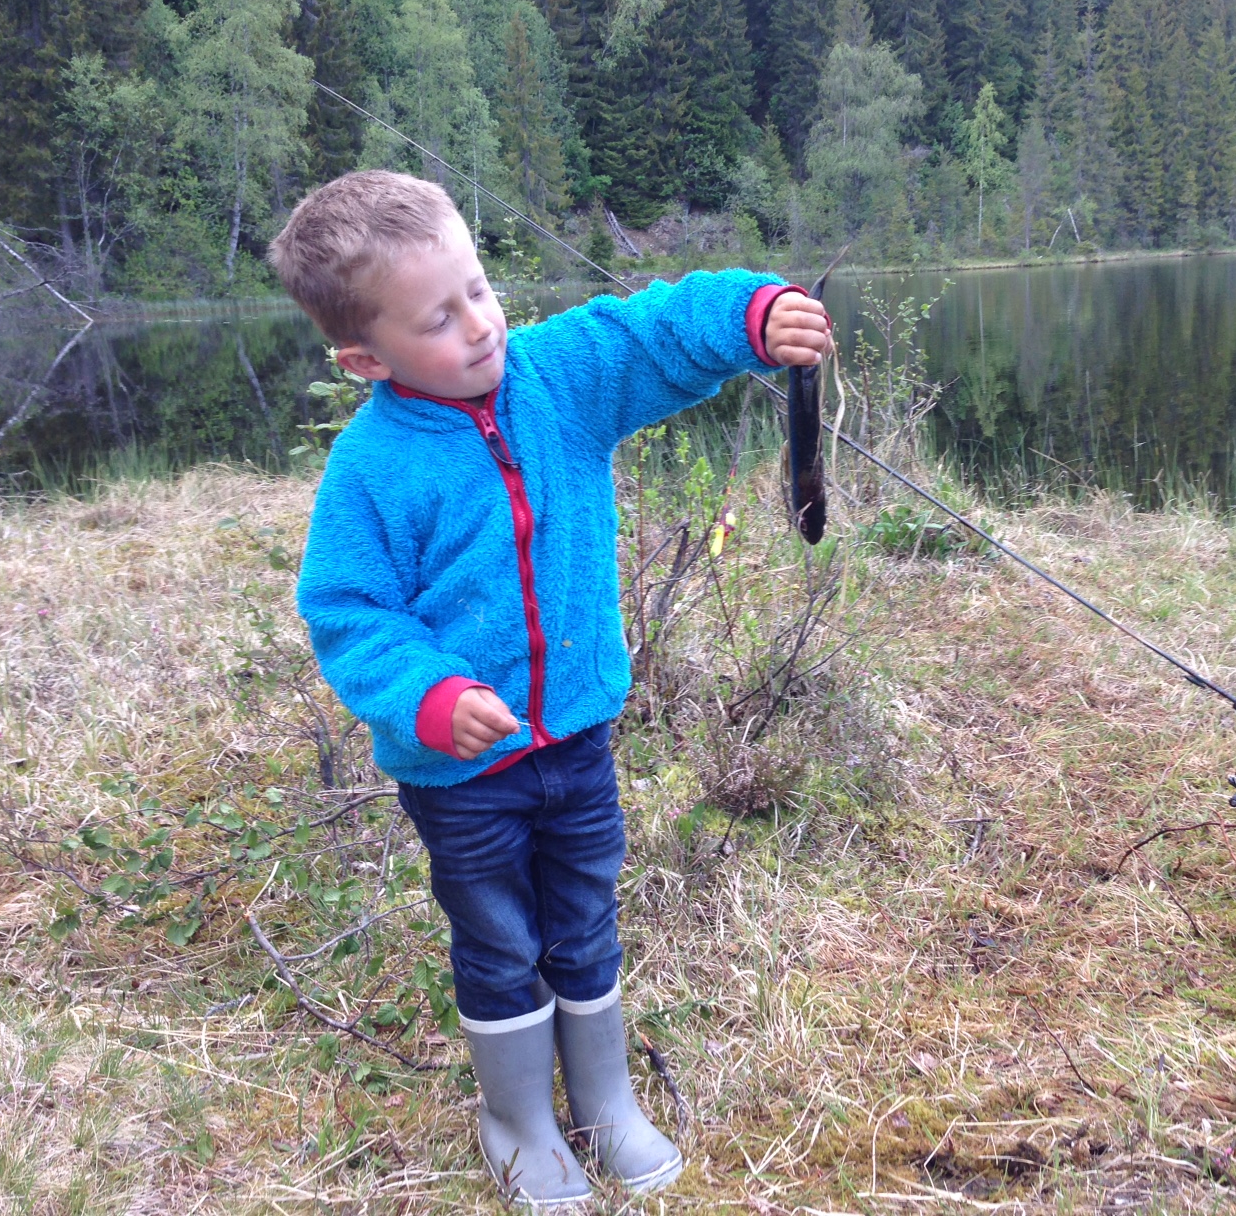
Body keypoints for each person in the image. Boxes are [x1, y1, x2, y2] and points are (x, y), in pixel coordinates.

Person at [268, 170, 831, 1207]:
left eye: (478, 290)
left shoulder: (559, 376)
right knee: (497, 940)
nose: (480, 324)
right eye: (438, 320)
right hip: (460, 773)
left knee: (584, 916)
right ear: (365, 359)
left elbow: (652, 332)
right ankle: (518, 1119)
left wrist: (755, 315)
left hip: (574, 737)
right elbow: (349, 613)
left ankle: (605, 1101)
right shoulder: (369, 470)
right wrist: (430, 698)